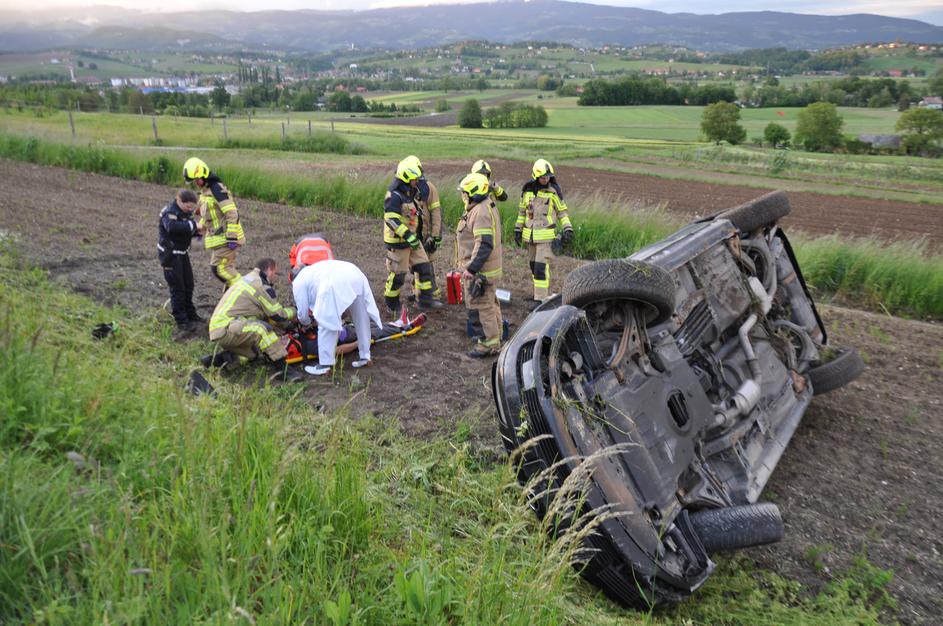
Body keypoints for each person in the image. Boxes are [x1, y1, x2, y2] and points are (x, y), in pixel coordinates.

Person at [206, 258, 303, 382]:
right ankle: (282, 370)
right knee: (261, 329)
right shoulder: (260, 285)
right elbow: (278, 315)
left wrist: (287, 327)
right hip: (227, 327)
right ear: (269, 270)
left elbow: (267, 315)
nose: (275, 277)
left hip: (220, 330)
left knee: (257, 355)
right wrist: (297, 311)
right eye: (275, 273)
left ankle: (219, 359)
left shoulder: (250, 279)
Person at [292, 258, 382, 376]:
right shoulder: (315, 270)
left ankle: (325, 365)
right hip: (355, 272)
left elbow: (303, 314)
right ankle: (365, 356)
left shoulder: (298, 281)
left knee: (325, 321)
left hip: (334, 282)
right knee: (361, 317)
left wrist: (306, 323)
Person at [382, 156, 443, 314]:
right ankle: (391, 303)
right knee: (398, 276)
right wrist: (408, 235)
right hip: (399, 242)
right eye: (415, 178)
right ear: (407, 177)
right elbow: (392, 220)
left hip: (412, 240)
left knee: (424, 267)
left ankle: (425, 300)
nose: (417, 181)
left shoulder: (410, 191)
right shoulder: (394, 195)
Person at [456, 173, 503, 358]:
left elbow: (483, 243)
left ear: (473, 193)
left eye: (465, 192)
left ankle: (488, 344)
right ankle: (496, 337)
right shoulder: (483, 206)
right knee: (490, 303)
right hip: (488, 268)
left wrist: (471, 269)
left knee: (483, 306)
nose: (463, 195)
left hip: (482, 271)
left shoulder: (480, 212)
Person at [514, 158, 574, 303]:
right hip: (530, 238)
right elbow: (522, 213)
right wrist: (517, 229)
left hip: (546, 238)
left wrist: (568, 228)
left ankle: (540, 300)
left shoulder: (554, 192)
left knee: (541, 269)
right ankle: (538, 295)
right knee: (533, 267)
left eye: (547, 176)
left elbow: (562, 213)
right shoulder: (527, 192)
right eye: (542, 177)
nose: (545, 179)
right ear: (536, 176)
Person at [183, 157, 245, 287]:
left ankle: (245, 291)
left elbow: (232, 213)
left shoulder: (217, 189)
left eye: (196, 180)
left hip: (227, 239)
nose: (195, 183)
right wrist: (197, 230)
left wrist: (232, 238)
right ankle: (232, 301)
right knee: (227, 270)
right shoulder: (205, 192)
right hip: (219, 239)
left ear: (204, 175)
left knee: (219, 269)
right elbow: (211, 218)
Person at [158, 189, 203, 337]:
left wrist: (198, 232)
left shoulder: (186, 212)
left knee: (189, 285)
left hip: (182, 254)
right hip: (170, 255)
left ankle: (191, 314)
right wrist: (194, 226)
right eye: (187, 206)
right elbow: (173, 227)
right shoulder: (169, 212)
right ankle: (181, 321)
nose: (190, 210)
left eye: (192, 207)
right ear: (178, 200)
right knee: (178, 288)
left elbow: (187, 228)